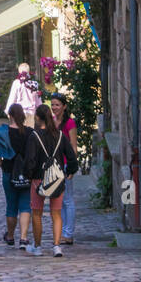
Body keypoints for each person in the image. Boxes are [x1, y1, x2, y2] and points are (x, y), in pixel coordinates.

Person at [24, 102, 78, 258]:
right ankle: (56, 246)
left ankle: (38, 246)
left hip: (38, 178)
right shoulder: (60, 135)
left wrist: (29, 175)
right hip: (57, 178)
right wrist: (71, 170)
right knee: (56, 214)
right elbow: (71, 155)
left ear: (38, 118)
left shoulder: (34, 137)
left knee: (37, 213)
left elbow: (30, 160)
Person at [0, 102, 32, 248]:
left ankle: (10, 235)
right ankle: (23, 237)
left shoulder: (1, 133)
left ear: (9, 115)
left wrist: (3, 165)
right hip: (27, 173)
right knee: (25, 205)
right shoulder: (30, 132)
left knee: (11, 206)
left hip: (9, 171)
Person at [51, 93, 79, 246]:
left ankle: (68, 233)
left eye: (57, 105)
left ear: (64, 106)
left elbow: (74, 147)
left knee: (67, 199)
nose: (54, 107)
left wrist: (72, 168)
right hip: (55, 165)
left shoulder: (70, 123)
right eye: (53, 105)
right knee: (58, 200)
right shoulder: (52, 122)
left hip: (66, 165)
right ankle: (61, 231)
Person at [4, 62, 42, 126]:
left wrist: (8, 110)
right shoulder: (34, 83)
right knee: (29, 132)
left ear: (19, 71)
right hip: (31, 113)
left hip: (19, 112)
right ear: (29, 71)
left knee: (20, 132)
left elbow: (12, 97)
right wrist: (40, 110)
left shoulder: (17, 83)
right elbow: (37, 99)